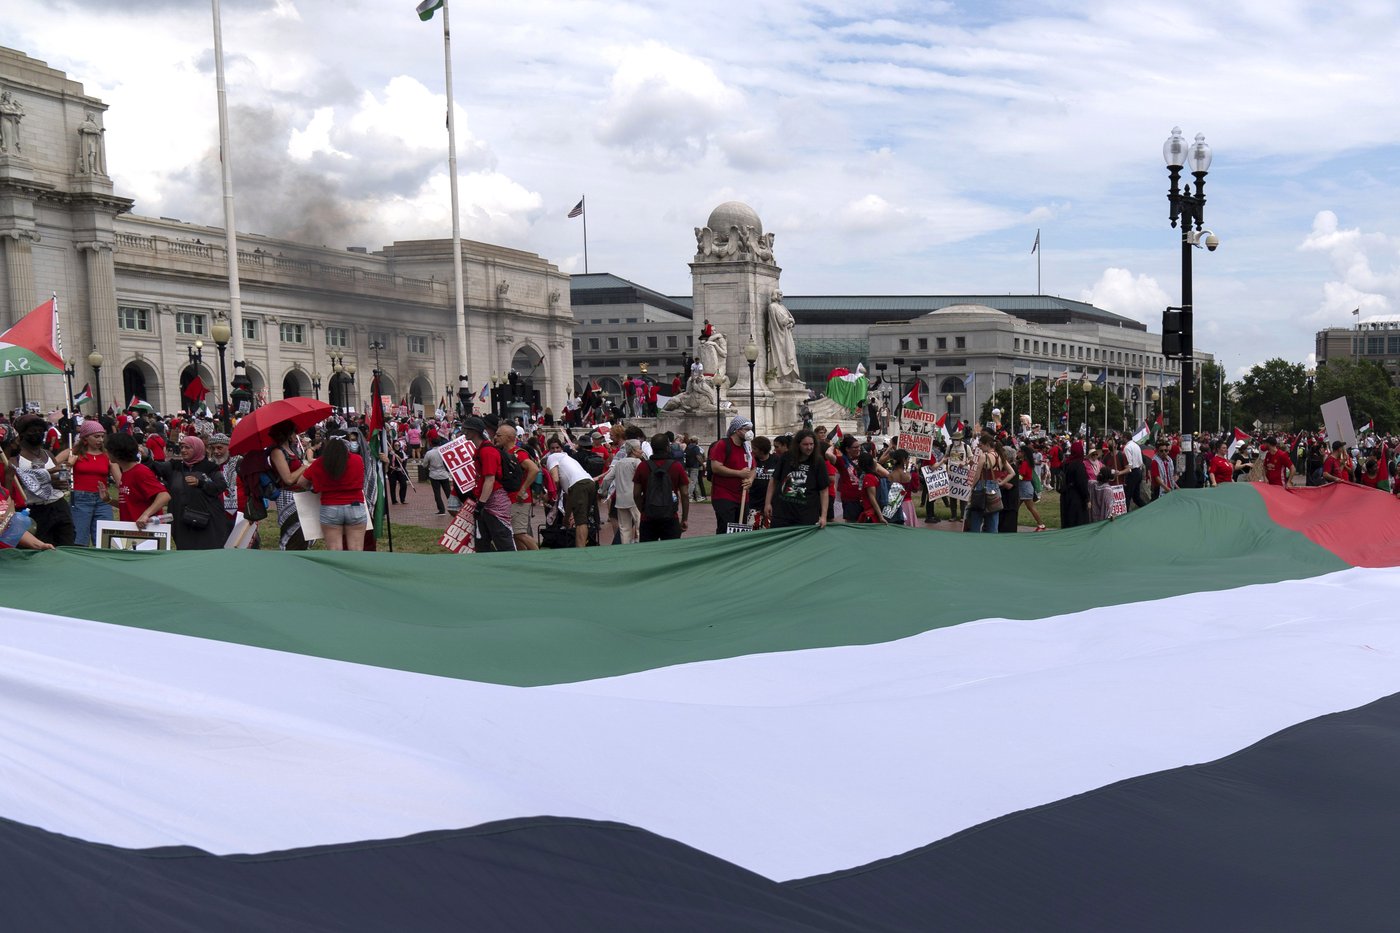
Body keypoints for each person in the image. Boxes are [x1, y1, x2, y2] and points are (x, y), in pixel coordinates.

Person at [288, 434, 366, 551]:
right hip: (355, 505)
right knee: (357, 549)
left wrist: (313, 488)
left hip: (330, 506)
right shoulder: (357, 460)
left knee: (334, 549)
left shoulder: (320, 463)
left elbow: (301, 482)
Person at [156, 435, 230, 550]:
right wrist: (145, 456)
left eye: (187, 447)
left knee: (206, 551)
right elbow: (155, 467)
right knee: (185, 550)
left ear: (197, 448)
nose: (183, 450)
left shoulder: (209, 467)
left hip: (206, 520)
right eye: (182, 447)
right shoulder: (174, 466)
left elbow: (220, 486)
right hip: (181, 520)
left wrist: (200, 483)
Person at [13, 414, 75, 547]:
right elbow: (18, 479)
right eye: (33, 430)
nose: (37, 433)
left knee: (67, 544)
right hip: (34, 510)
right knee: (40, 548)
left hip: (58, 505)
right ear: (22, 433)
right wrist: (47, 479)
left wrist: (61, 481)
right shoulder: (16, 456)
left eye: (41, 431)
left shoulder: (47, 453)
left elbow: (56, 476)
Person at [461, 417, 515, 552]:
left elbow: (490, 480)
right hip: (486, 502)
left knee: (503, 541)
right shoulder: (481, 450)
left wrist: (481, 504)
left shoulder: (487, 451)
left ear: (475, 431)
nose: (464, 432)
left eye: (467, 429)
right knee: (482, 542)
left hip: (495, 503)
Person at [764, 428, 829, 528]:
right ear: (798, 444)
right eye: (805, 444)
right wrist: (768, 503)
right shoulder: (786, 457)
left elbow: (824, 491)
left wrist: (824, 516)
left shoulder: (818, 461)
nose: (809, 447)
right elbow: (773, 481)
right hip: (782, 513)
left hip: (806, 515)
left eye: (811, 444)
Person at [70, 419, 119, 546]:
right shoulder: (74, 453)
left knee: (105, 538)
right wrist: (67, 465)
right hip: (81, 499)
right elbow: (53, 465)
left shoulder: (107, 455)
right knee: (80, 539)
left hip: (102, 500)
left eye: (102, 436)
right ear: (85, 437)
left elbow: (120, 481)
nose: (101, 440)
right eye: (96, 436)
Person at [106, 432, 170, 530]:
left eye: (108, 450)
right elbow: (130, 505)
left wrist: (145, 515)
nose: (107, 453)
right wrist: (108, 500)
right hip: (132, 529)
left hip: (145, 531)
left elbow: (164, 496)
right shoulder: (126, 473)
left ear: (116, 453)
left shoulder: (140, 472)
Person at [545, 434, 597, 549]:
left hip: (579, 485)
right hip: (590, 483)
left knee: (581, 521)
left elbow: (555, 480)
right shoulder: (568, 458)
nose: (555, 450)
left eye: (557, 448)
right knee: (583, 519)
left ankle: (580, 551)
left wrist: (549, 494)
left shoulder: (552, 457)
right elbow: (569, 496)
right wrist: (566, 517)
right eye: (553, 448)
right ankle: (583, 547)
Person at [634, 434, 689, 541]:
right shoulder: (676, 466)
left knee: (648, 552)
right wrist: (684, 518)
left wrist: (643, 510)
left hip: (648, 517)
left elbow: (636, 494)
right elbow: (685, 494)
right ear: (668, 447)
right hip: (670, 516)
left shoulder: (643, 466)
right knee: (671, 553)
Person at [497, 423, 540, 551]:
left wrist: (522, 490)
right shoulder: (505, 452)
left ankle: (541, 558)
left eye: (499, 435)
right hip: (511, 499)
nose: (496, 438)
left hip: (519, 499)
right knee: (516, 534)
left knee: (520, 533)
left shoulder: (518, 453)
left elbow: (534, 469)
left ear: (510, 437)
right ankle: (524, 559)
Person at [709, 416, 755, 533]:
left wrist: (750, 480)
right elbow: (716, 467)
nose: (749, 432)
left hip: (743, 496)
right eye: (746, 429)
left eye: (750, 429)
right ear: (737, 429)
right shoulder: (722, 444)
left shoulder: (747, 448)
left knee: (740, 529)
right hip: (724, 495)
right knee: (726, 528)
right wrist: (739, 473)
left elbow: (753, 467)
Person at [266, 421, 308, 550]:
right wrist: (304, 467)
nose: (297, 436)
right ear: (288, 434)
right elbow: (288, 479)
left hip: (300, 495)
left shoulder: (291, 450)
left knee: (303, 535)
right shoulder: (277, 452)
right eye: (295, 433)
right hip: (289, 497)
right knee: (292, 536)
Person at [598, 438, 644, 544]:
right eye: (639, 448)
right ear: (633, 450)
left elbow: (607, 479)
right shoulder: (637, 462)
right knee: (639, 526)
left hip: (621, 500)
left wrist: (601, 491)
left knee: (624, 529)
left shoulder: (619, 463)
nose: (641, 450)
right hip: (635, 500)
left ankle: (625, 548)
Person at [966, 433, 1013, 533]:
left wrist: (971, 488)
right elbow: (1011, 473)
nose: (980, 447)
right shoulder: (1000, 456)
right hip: (995, 489)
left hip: (981, 488)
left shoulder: (984, 456)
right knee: (993, 516)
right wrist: (1001, 483)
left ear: (987, 444)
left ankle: (974, 539)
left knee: (976, 516)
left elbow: (977, 475)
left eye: (981, 445)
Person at [1060, 441, 1090, 528]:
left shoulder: (1066, 463)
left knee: (1068, 521)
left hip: (1066, 494)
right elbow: (1082, 483)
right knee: (1077, 522)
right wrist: (1087, 497)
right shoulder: (1078, 465)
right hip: (1076, 496)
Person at [1015, 445, 1045, 531]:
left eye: (1019, 451)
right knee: (1017, 507)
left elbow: (1021, 476)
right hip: (1025, 487)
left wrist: (1014, 478)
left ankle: (1041, 525)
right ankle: (1041, 524)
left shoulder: (1025, 463)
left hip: (1025, 487)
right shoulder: (1026, 462)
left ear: (1023, 453)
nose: (1018, 453)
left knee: (1030, 507)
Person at [423, 435, 452, 514]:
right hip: (444, 474)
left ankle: (441, 509)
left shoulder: (429, 453)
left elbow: (424, 464)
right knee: (448, 492)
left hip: (434, 474)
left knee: (437, 493)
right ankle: (453, 507)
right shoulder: (443, 451)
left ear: (431, 444)